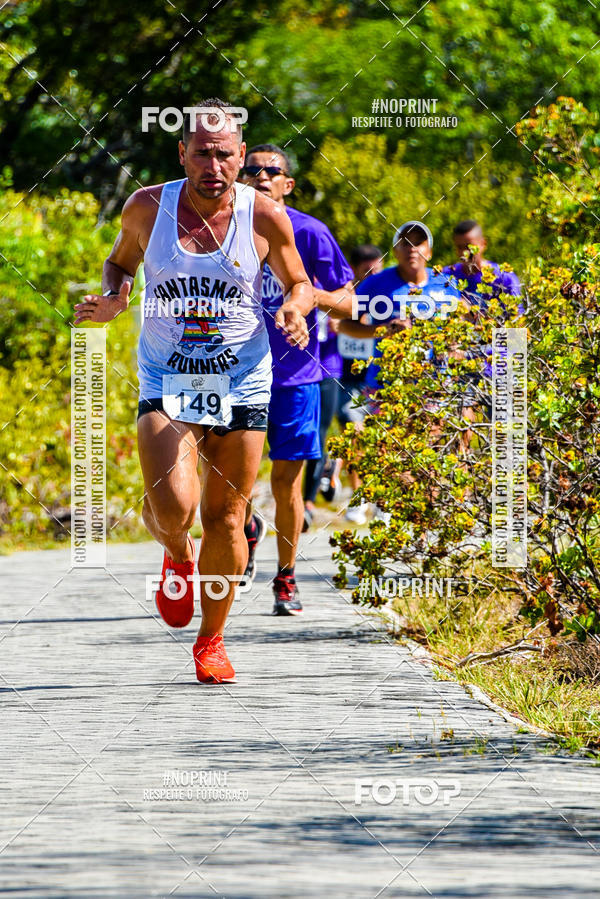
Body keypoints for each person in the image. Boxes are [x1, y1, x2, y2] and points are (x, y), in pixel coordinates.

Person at [74, 99, 313, 683]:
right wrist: (115, 298)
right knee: (172, 508)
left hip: (243, 377)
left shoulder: (263, 217)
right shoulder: (146, 207)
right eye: (201, 153)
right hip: (168, 375)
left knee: (227, 516)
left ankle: (212, 641)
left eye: (225, 154)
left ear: (239, 158)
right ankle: (176, 555)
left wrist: (294, 308)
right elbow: (119, 265)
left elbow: (300, 282)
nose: (214, 165)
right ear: (182, 153)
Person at [239, 144, 354, 615]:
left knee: (287, 480)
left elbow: (350, 304)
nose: (262, 176)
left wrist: (304, 297)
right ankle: (245, 526)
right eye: (253, 169)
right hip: (233, 371)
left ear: (287, 183)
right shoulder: (220, 229)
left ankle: (285, 577)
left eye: (274, 171)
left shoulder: (311, 232)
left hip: (296, 375)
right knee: (226, 478)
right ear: (238, 176)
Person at [336, 245, 384, 524]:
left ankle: (381, 499)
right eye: (367, 271)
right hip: (349, 380)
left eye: (376, 270)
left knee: (381, 442)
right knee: (353, 434)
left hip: (379, 379)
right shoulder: (345, 295)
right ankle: (358, 496)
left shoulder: (387, 295)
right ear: (355, 270)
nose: (372, 275)